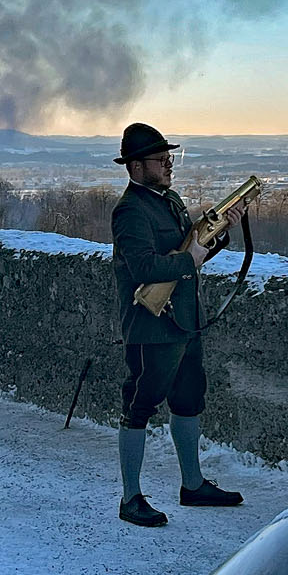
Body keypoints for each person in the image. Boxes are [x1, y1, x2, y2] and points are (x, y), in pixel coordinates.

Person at [109, 122, 247, 528]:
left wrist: (219, 234)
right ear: (135, 167)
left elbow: (188, 246)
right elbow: (144, 267)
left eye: (170, 157)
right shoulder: (131, 210)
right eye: (160, 159)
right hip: (150, 326)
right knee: (138, 407)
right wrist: (193, 259)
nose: (169, 164)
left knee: (188, 400)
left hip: (183, 320)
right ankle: (131, 497)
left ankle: (193, 484)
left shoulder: (167, 199)